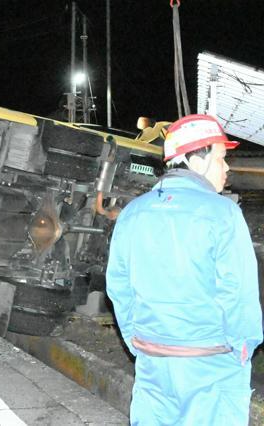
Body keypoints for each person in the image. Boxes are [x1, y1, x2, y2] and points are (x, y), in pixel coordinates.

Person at [106, 114, 263, 425]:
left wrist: (138, 341)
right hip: (211, 362)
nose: (227, 167)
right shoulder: (223, 213)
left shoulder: (133, 212)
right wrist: (243, 348)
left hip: (154, 362)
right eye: (221, 158)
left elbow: (119, 286)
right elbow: (240, 292)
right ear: (195, 159)